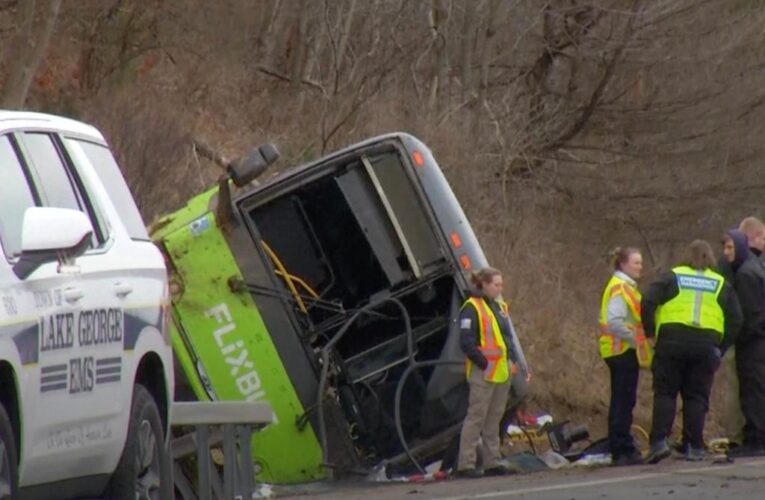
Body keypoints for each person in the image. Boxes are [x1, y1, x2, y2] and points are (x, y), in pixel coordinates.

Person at [642, 240, 742, 463]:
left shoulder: (672, 276)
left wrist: (650, 333)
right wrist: (721, 346)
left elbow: (648, 301)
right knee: (696, 396)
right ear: (710, 258)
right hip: (706, 346)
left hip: (671, 342)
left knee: (665, 392)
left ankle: (659, 442)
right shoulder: (721, 284)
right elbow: (736, 319)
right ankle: (693, 446)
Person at [455, 267, 513, 478]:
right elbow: (467, 342)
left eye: (500, 284)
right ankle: (466, 464)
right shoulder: (471, 308)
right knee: (476, 418)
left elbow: (505, 339)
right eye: (496, 284)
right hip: (484, 373)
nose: (500, 288)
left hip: (501, 373)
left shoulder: (497, 306)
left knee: (493, 420)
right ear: (485, 285)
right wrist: (484, 363)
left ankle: (492, 462)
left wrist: (511, 361)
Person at [598, 247, 645, 466]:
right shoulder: (620, 287)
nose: (640, 267)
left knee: (623, 399)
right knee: (623, 401)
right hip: (621, 350)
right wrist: (635, 340)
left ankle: (621, 446)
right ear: (624, 264)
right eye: (636, 262)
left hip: (620, 349)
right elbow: (615, 321)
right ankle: (621, 448)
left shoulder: (625, 286)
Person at [729, 217, 765, 457]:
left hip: (753, 342)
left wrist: (737, 336)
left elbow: (749, 314)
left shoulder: (746, 272)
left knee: (753, 389)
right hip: (758, 339)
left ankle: (755, 438)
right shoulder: (757, 268)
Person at [718, 229, 748, 449]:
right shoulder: (726, 273)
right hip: (731, 338)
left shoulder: (743, 270)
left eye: (730, 247)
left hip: (740, 338)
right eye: (725, 247)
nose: (727, 252)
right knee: (733, 387)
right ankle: (735, 436)